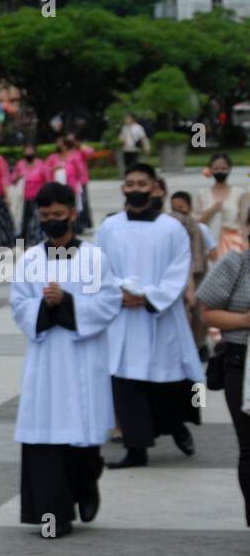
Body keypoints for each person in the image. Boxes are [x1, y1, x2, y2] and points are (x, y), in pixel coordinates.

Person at [11, 182, 121, 537]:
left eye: (58, 215)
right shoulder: (29, 259)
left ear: (73, 214)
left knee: (81, 435)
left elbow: (108, 303)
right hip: (46, 361)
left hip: (82, 357)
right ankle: (53, 516)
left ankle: (87, 483)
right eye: (45, 217)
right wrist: (45, 306)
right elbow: (19, 305)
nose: (52, 222)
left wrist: (69, 302)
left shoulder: (94, 257)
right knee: (46, 437)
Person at [98, 163, 203, 468]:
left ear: (155, 188)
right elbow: (98, 265)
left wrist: (148, 297)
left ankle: (177, 427)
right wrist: (119, 292)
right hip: (122, 316)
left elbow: (178, 270)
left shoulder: (171, 228)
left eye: (142, 184)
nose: (135, 189)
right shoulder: (110, 227)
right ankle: (136, 449)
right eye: (130, 183)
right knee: (126, 383)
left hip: (159, 315)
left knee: (166, 382)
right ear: (123, 189)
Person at [196, 217, 250, 525]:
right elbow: (206, 312)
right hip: (240, 364)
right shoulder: (236, 264)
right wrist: (244, 321)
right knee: (249, 447)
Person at [166, 187, 211, 359]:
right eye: (174, 208)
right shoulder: (170, 227)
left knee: (199, 315)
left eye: (182, 208)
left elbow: (212, 250)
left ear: (190, 207)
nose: (179, 214)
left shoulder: (199, 228)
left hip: (199, 276)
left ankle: (199, 344)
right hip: (178, 275)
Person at [195, 153, 249, 260]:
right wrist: (212, 210)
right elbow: (198, 223)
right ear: (211, 170)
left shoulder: (240, 193)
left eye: (224, 168)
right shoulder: (202, 193)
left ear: (229, 169)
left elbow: (244, 221)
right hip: (210, 246)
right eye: (216, 168)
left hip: (235, 246)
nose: (220, 171)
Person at [14, 143, 48, 244]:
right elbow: (12, 179)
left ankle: (38, 242)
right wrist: (18, 176)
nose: (29, 153)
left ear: (35, 152)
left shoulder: (41, 164)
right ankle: (22, 243)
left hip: (38, 198)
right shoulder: (20, 164)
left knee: (37, 221)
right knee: (23, 221)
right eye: (26, 151)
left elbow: (47, 180)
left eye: (31, 150)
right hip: (24, 199)